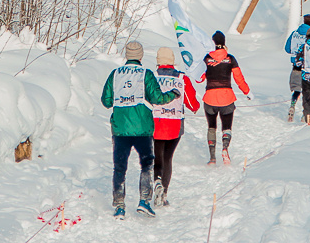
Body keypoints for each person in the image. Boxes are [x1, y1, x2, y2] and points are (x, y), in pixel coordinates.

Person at [101, 39, 178, 219]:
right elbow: (158, 98)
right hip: (143, 127)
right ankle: (144, 201)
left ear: (127, 55)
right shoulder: (146, 74)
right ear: (141, 56)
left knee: (119, 167)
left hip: (120, 128)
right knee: (147, 164)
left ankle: (119, 206)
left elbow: (105, 101)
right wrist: (173, 95)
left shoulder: (115, 74)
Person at [152, 47, 200, 207]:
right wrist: (194, 106)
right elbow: (192, 102)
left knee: (157, 158)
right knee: (168, 157)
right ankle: (163, 193)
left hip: (155, 122)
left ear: (158, 61)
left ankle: (157, 181)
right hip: (174, 123)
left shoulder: (151, 77)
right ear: (172, 60)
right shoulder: (181, 78)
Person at [200, 30, 252, 164]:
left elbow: (199, 79)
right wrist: (247, 92)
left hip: (210, 98)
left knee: (211, 127)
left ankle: (212, 157)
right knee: (226, 127)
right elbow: (239, 78)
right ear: (223, 43)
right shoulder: (230, 58)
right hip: (227, 98)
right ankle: (225, 148)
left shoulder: (206, 58)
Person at [284, 13, 310, 121]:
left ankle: (292, 104)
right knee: (307, 90)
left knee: (297, 89)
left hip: (296, 66)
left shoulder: (294, 33)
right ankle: (305, 114)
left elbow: (287, 49)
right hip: (307, 66)